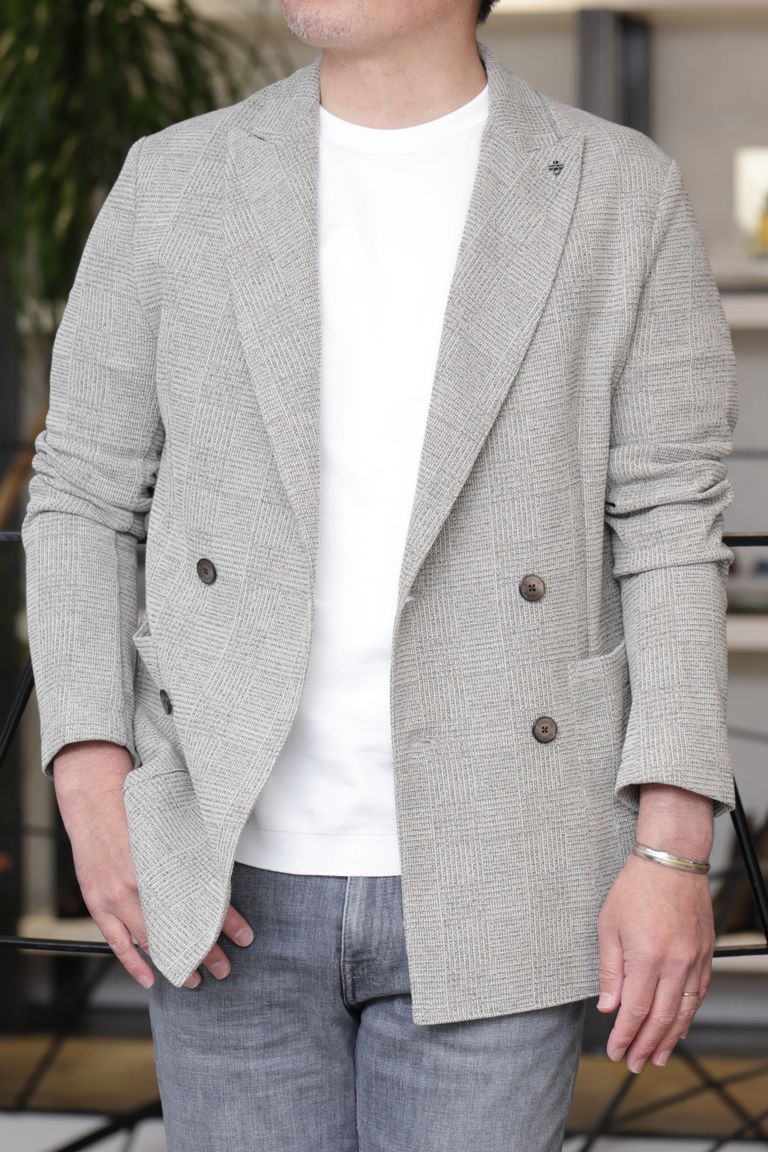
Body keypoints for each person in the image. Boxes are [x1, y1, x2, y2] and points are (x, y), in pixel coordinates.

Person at [21, 1, 738, 1149]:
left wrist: (672, 845)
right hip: (222, 866)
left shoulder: (617, 190)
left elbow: (669, 529)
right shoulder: (178, 179)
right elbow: (81, 493)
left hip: (506, 858)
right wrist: (91, 782)